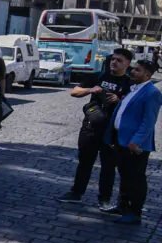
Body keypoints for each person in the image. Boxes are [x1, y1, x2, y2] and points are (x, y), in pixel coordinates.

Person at [57, 48, 132, 209]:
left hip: (112, 132)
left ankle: (104, 199)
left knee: (108, 166)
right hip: (91, 127)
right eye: (113, 59)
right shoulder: (99, 76)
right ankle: (76, 193)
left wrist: (119, 100)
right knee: (85, 161)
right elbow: (75, 91)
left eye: (119, 60)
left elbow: (133, 107)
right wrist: (91, 90)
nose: (114, 62)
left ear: (127, 64)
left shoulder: (129, 83)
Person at [105, 60, 161, 226]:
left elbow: (148, 121)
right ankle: (123, 205)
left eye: (137, 70)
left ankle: (135, 212)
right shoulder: (134, 88)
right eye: (133, 69)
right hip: (121, 139)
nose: (133, 72)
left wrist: (136, 141)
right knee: (125, 175)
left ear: (147, 75)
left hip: (134, 144)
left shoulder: (152, 92)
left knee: (135, 178)